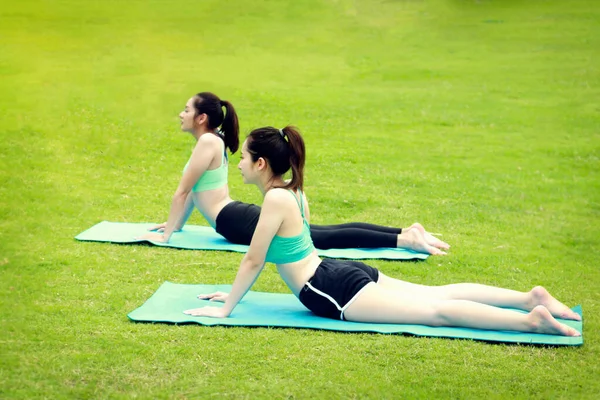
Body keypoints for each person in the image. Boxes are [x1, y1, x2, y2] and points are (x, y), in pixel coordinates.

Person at [183, 126, 581, 337]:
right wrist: (233, 295)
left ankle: (530, 320)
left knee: (435, 312)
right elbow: (279, 255)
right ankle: (527, 297)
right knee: (436, 295)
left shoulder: (275, 201)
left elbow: (254, 259)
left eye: (245, 158)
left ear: (262, 164)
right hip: (340, 272)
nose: (238, 164)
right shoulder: (293, 192)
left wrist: (226, 308)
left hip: (330, 289)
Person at [138, 92, 449, 255]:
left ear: (201, 117)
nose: (181, 114)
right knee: (321, 233)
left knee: (318, 238)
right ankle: (404, 233)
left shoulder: (207, 140)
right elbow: (194, 192)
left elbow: (183, 191)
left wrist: (166, 237)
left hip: (232, 219)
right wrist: (175, 224)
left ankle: (406, 239)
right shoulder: (212, 140)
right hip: (232, 216)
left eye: (187, 110)